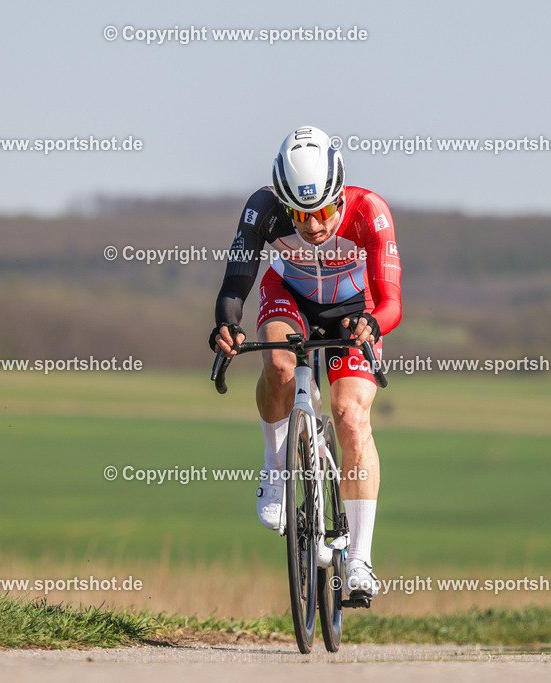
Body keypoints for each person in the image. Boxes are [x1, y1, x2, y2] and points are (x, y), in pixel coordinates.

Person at [209, 125, 401, 602]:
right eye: (300, 215)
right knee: (277, 363)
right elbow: (237, 282)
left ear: (340, 194)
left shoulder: (369, 212)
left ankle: (359, 561)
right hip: (288, 296)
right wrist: (227, 325)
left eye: (323, 213)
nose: (313, 227)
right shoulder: (263, 209)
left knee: (351, 417)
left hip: (354, 311)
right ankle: (276, 470)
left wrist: (372, 325)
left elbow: (391, 302)